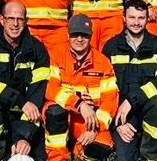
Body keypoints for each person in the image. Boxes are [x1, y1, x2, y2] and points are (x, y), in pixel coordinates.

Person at [0, 0, 51, 161]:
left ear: (26, 22)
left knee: (37, 155)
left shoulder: (37, 50)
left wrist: (23, 137)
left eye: (20, 19)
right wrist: (20, 101)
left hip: (22, 115)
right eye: (10, 18)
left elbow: (36, 97)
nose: (15, 24)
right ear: (1, 19)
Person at [101, 0, 157, 160]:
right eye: (132, 17)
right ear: (124, 18)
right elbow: (104, 90)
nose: (136, 23)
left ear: (147, 19)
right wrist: (117, 123)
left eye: (141, 18)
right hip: (121, 115)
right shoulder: (111, 47)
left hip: (149, 111)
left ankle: (151, 153)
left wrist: (133, 100)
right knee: (125, 158)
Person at [43, 14, 118, 161]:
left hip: (89, 122)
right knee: (55, 111)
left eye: (84, 35)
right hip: (61, 117)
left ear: (90, 36)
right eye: (75, 34)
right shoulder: (56, 55)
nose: (79, 39)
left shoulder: (103, 62)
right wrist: (80, 104)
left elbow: (110, 101)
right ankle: (58, 158)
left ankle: (79, 151)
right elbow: (50, 88)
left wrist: (94, 129)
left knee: (100, 148)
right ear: (68, 35)